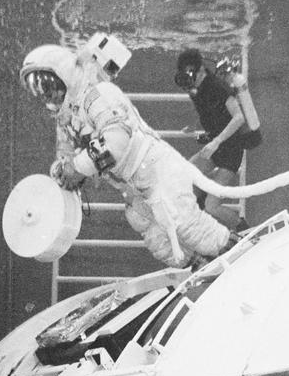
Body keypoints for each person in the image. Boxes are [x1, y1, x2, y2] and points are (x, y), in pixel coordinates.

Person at [20, 43, 235, 268]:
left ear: (65, 75)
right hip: (133, 186)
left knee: (186, 224)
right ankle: (200, 265)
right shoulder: (67, 119)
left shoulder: (98, 95)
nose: (46, 94)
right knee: (154, 234)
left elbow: (116, 141)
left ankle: (233, 250)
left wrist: (77, 168)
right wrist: (62, 172)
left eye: (46, 84)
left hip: (156, 170)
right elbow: (67, 157)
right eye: (37, 89)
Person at [174, 48, 262, 230]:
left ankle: (243, 229)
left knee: (212, 206)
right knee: (184, 177)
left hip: (231, 151)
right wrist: (195, 129)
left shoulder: (217, 87)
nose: (189, 80)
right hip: (215, 146)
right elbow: (209, 115)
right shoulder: (195, 89)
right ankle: (200, 208)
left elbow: (239, 117)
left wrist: (216, 142)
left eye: (191, 74)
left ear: (200, 70)